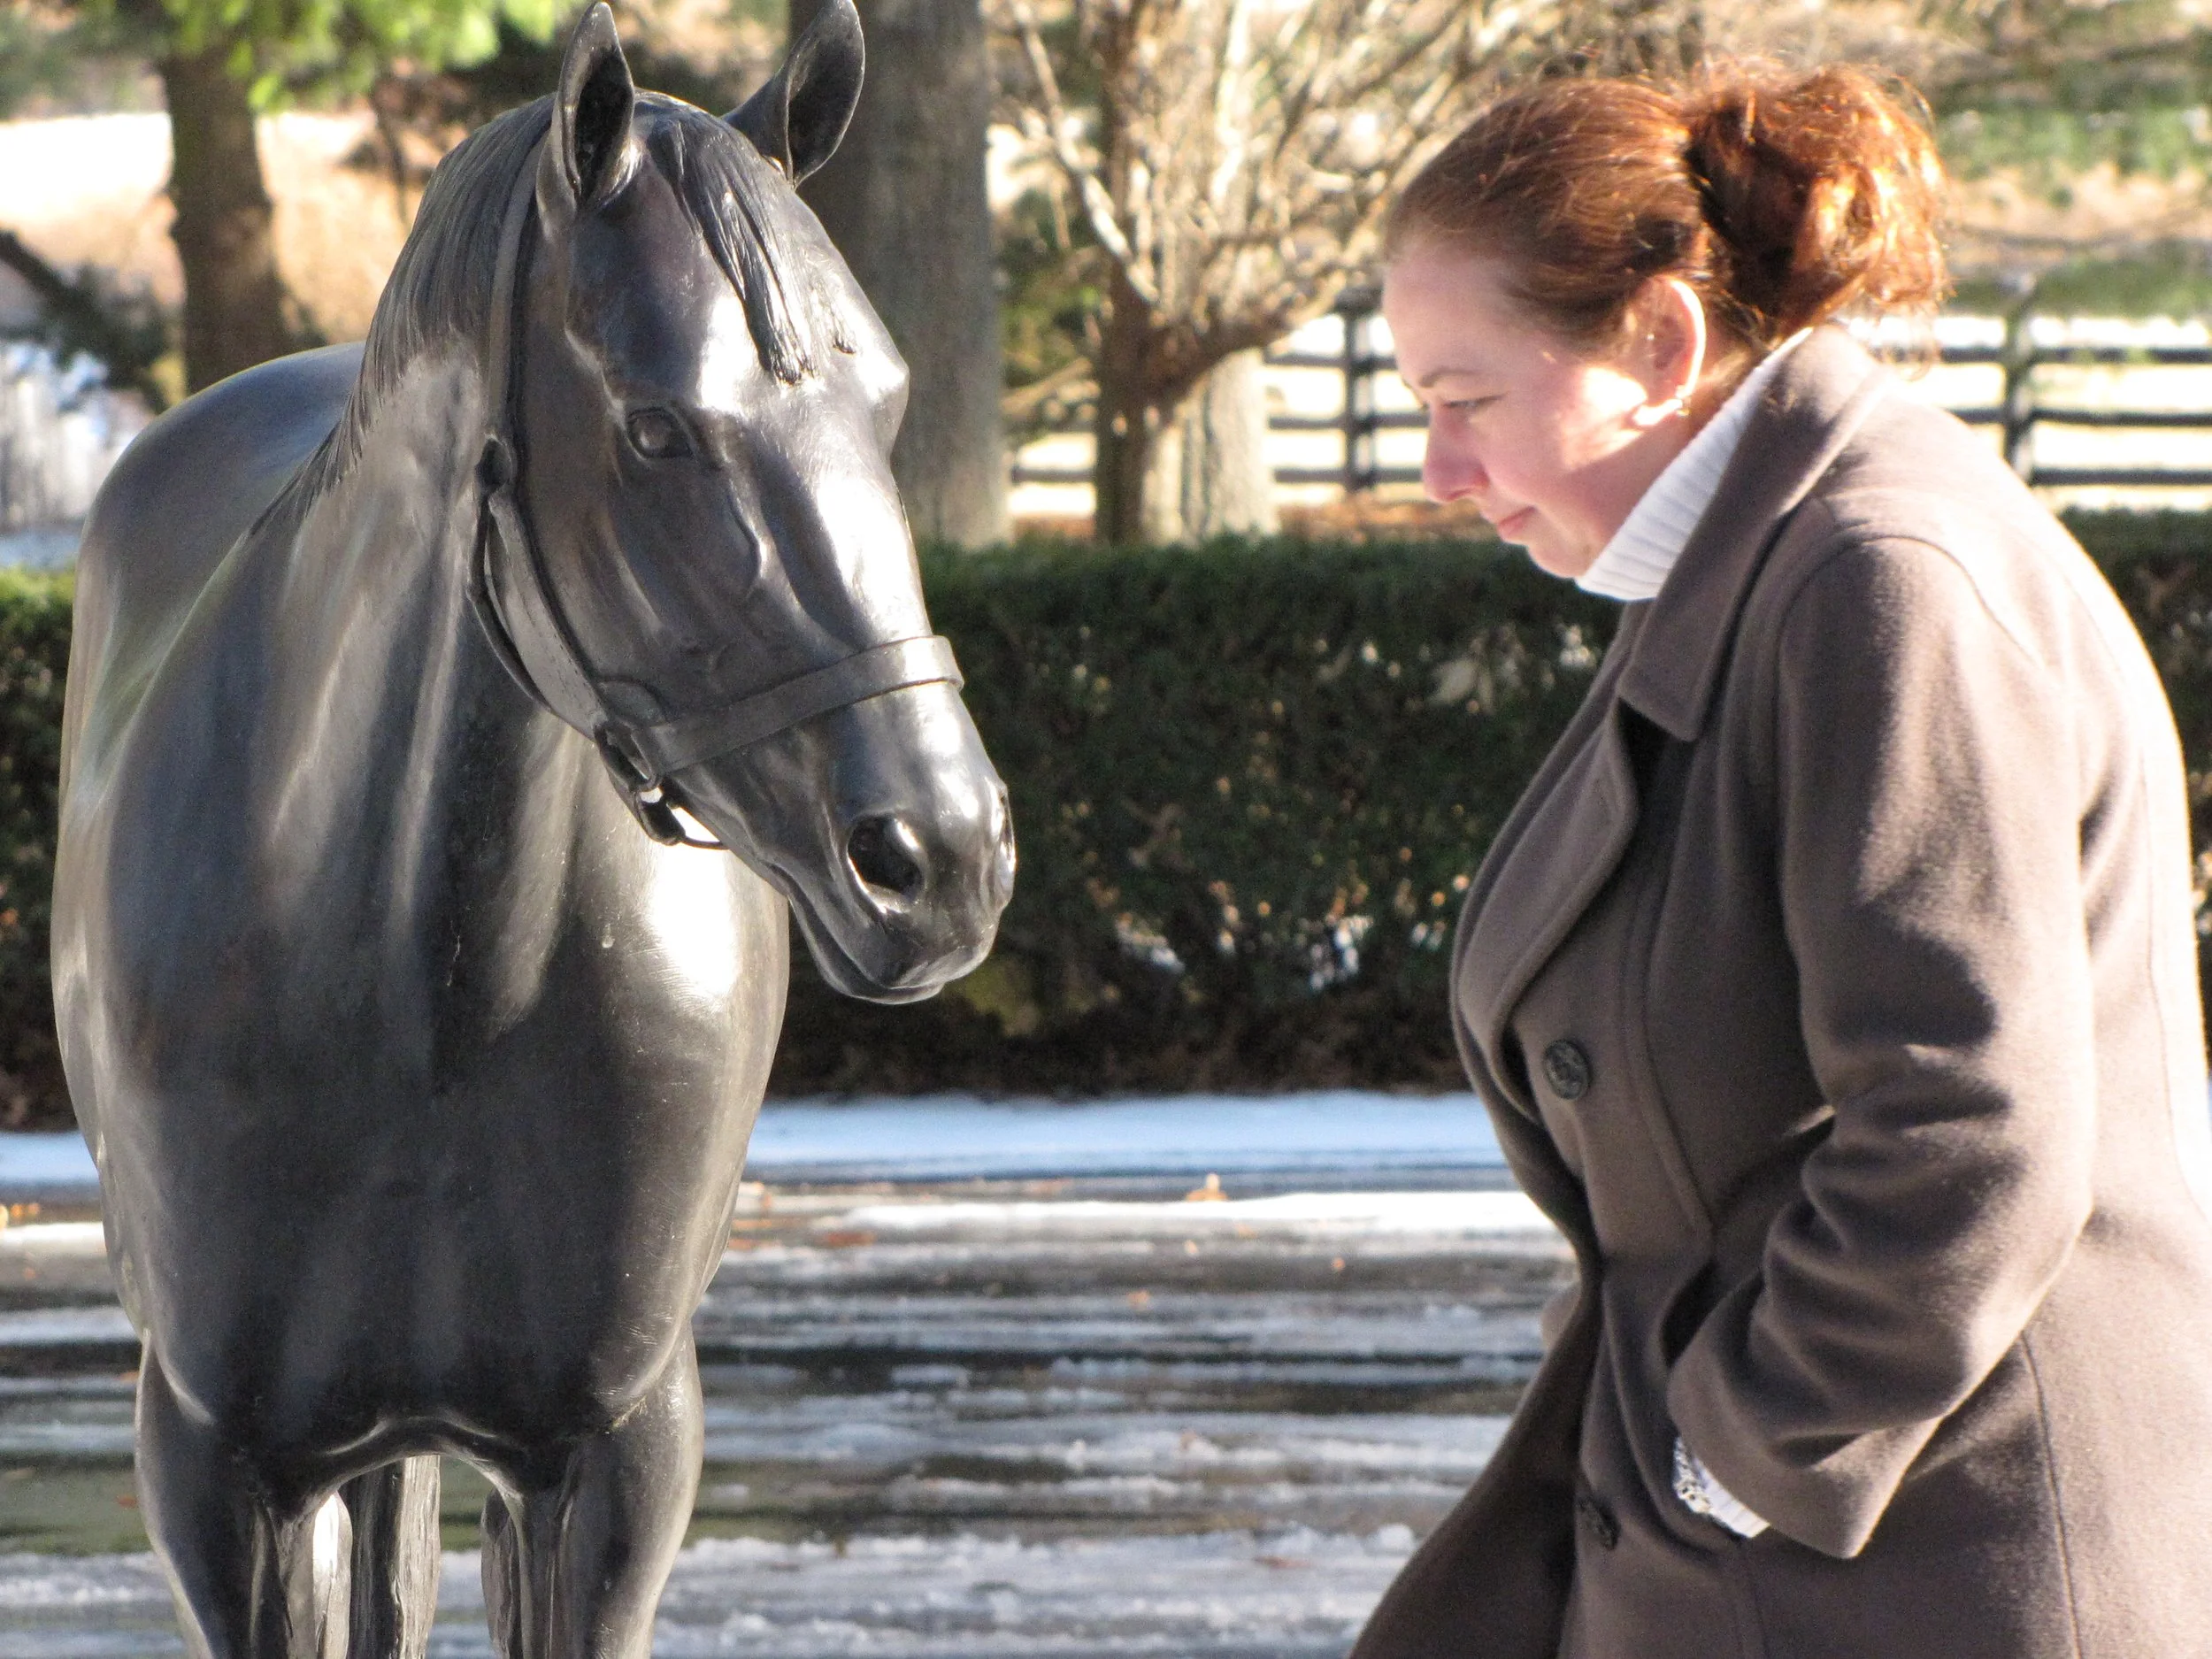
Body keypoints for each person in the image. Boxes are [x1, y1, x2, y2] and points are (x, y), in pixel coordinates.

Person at [1350, 62, 2212, 1659]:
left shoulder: (1876, 579)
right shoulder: (1756, 565)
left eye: (1466, 402)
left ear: (1663, 345)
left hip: (1934, 1565)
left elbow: (1969, 1127)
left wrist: (1734, 1457)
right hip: (1827, 1563)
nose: (1440, 473)